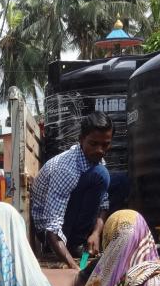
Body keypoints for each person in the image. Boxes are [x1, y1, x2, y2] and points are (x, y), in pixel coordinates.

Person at [31, 112, 114, 270]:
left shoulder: (97, 159)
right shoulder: (66, 168)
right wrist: (74, 269)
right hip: (50, 234)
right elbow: (52, 228)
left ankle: (82, 245)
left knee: (119, 180)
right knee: (101, 175)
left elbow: (104, 204)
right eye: (93, 143)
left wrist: (96, 233)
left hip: (71, 225)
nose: (100, 150)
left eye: (105, 145)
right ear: (81, 139)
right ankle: (76, 247)